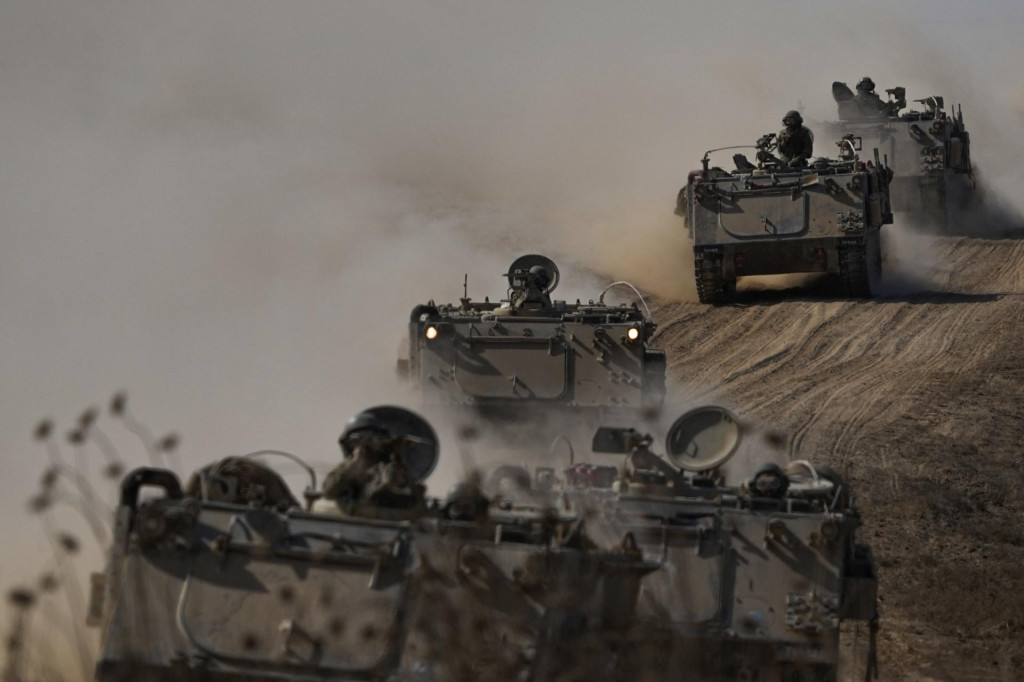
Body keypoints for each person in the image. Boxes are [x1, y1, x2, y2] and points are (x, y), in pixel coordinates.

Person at [323, 412, 422, 508]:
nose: (364, 446)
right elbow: (328, 492)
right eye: (357, 440)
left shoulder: (388, 465)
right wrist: (355, 464)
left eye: (370, 440)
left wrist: (397, 457)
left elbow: (408, 495)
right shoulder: (346, 467)